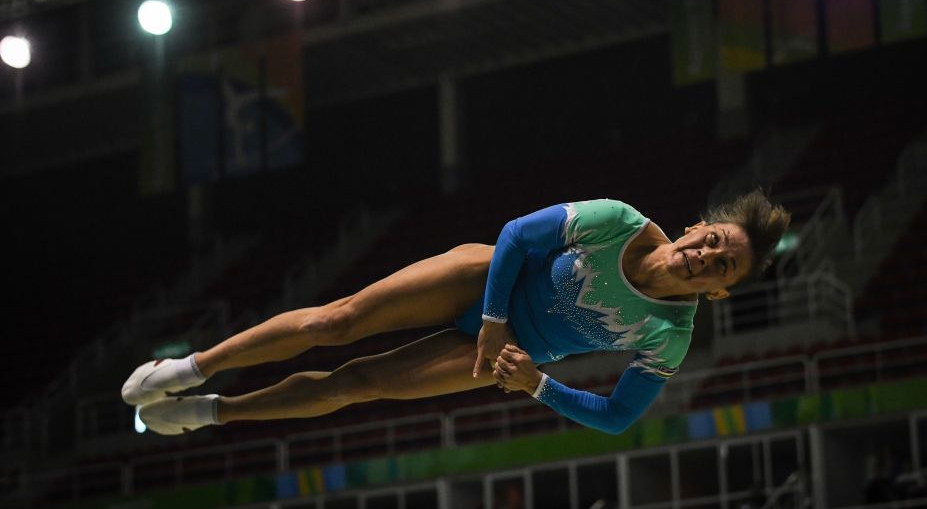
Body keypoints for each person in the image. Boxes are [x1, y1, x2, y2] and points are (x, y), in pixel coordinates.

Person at [122, 189, 790, 435]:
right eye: (711, 239)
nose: (704, 255)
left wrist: (539, 385)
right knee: (337, 322)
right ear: (696, 225)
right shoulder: (619, 222)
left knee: (356, 385)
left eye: (721, 264)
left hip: (504, 355)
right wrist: (493, 317)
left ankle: (212, 411)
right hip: (486, 280)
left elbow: (616, 419)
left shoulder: (668, 336)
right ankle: (190, 365)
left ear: (720, 290)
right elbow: (515, 236)